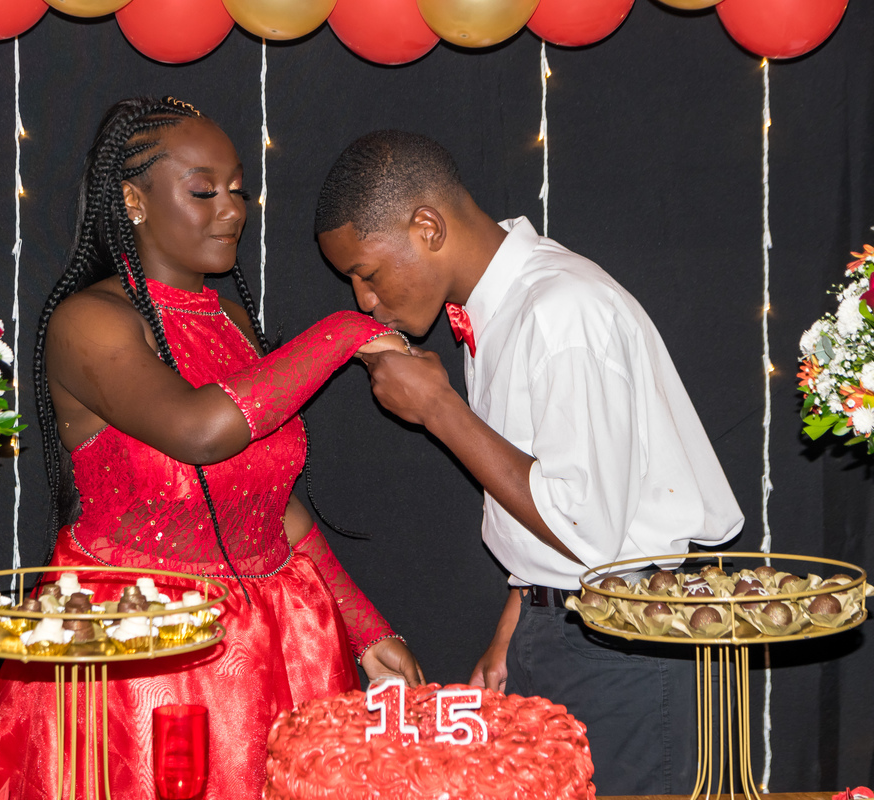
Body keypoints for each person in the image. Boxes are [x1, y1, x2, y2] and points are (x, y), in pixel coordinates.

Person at [0, 99, 423, 800]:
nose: (231, 210)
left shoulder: (231, 319)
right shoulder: (90, 323)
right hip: (140, 652)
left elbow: (270, 502)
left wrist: (361, 624)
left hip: (279, 640)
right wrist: (343, 332)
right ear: (134, 199)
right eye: (204, 191)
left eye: (238, 190)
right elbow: (198, 433)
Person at [313, 130, 744, 795]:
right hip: (567, 626)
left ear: (427, 226)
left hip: (620, 645)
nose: (364, 300)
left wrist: (439, 409)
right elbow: (557, 493)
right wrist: (516, 627)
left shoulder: (562, 309)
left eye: (366, 273)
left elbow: (586, 527)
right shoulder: (503, 307)